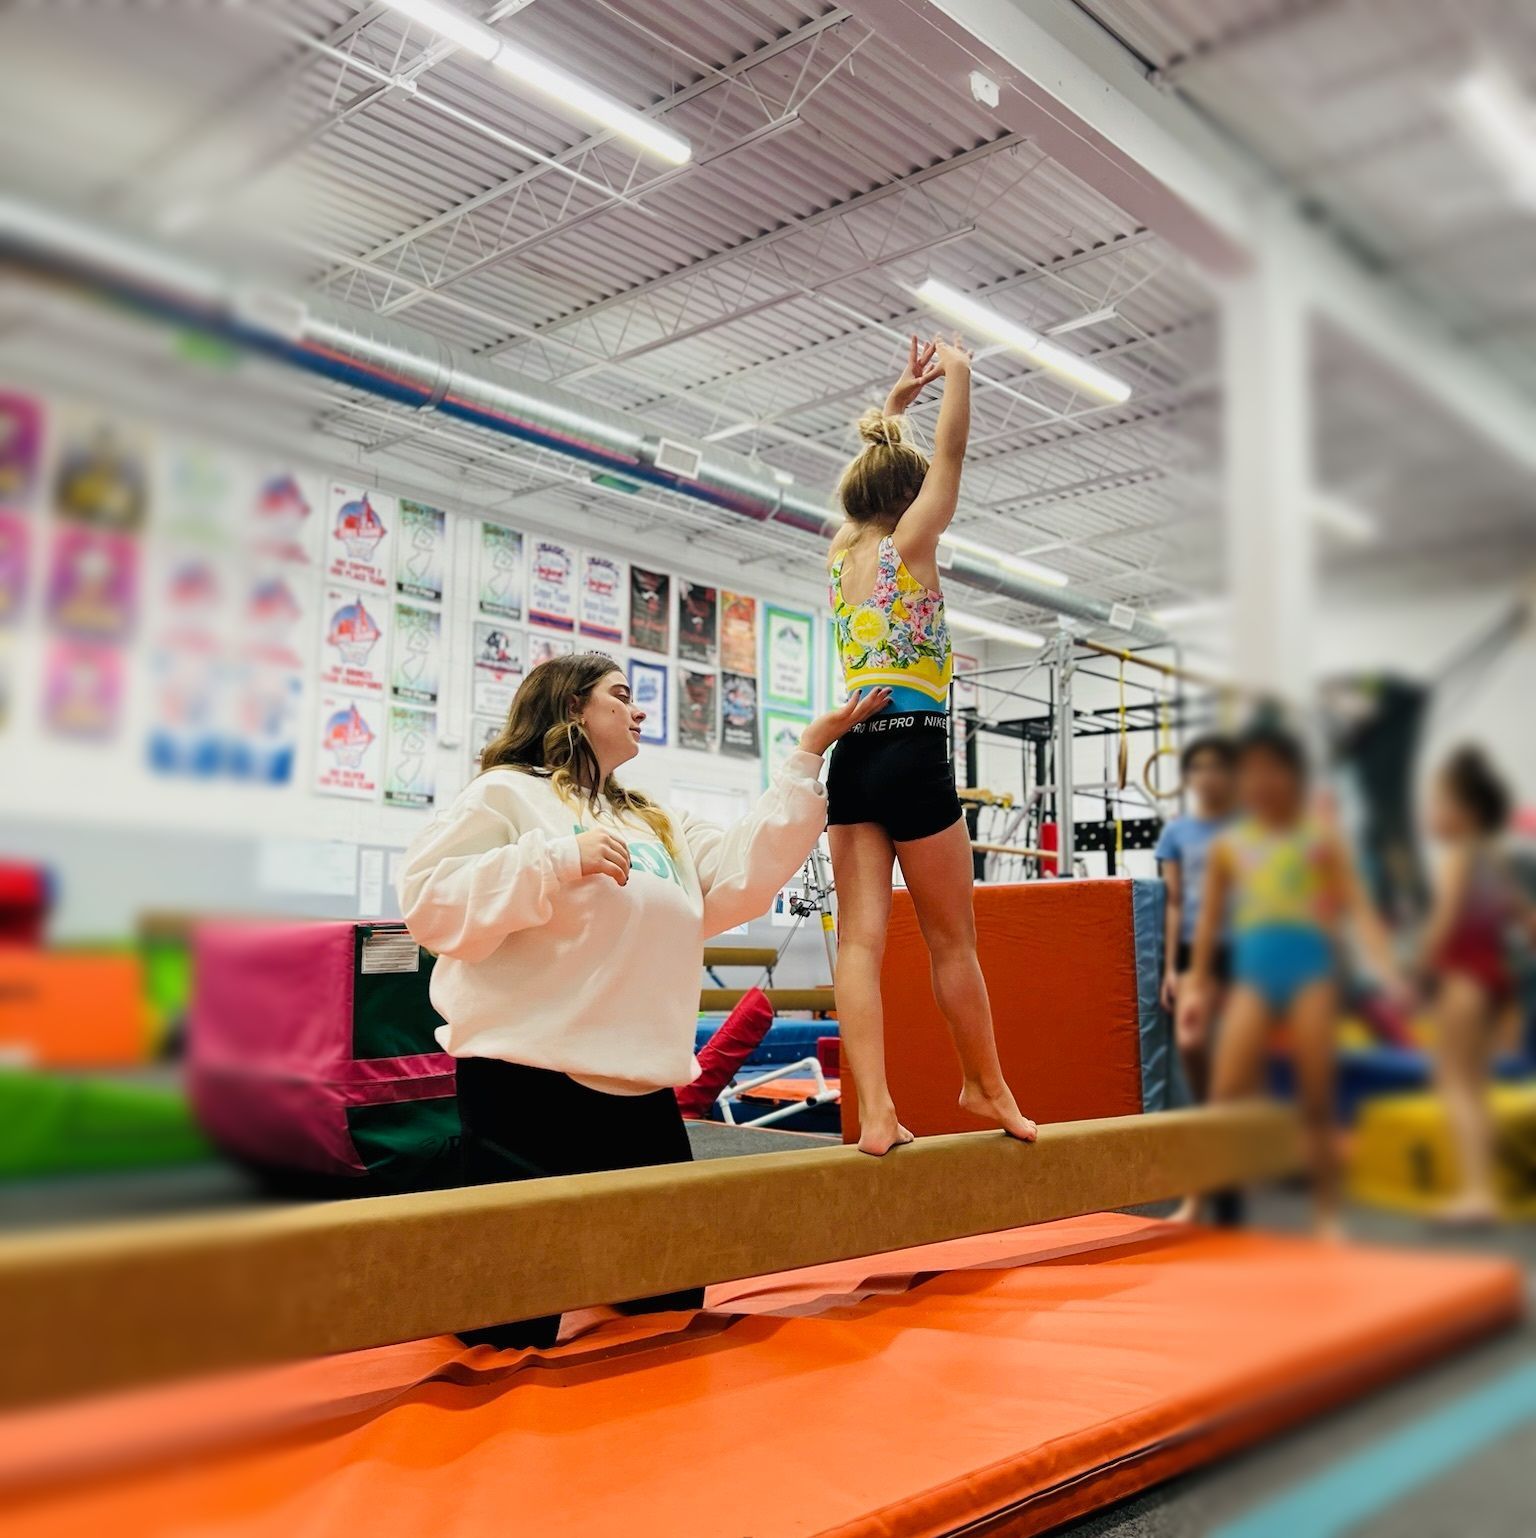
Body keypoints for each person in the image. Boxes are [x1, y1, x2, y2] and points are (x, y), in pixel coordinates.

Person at [396, 652, 886, 1348]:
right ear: (571, 708)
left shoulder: (656, 820)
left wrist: (807, 755)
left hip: (638, 1089)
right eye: (620, 695)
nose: (639, 709)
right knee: (508, 1327)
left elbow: (745, 873)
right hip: (527, 1084)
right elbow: (429, 901)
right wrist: (558, 858)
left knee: (667, 1303)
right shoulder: (506, 794)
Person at [826, 333, 1036, 1156]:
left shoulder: (840, 556)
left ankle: (876, 1111)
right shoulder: (913, 549)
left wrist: (895, 405)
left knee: (858, 942)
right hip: (914, 751)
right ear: (910, 500)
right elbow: (952, 455)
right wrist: (958, 375)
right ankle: (983, 1083)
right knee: (952, 940)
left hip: (854, 759)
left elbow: (881, 463)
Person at [1180, 724, 1403, 1234]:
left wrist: (1389, 972)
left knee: (1316, 1095)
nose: (1261, 781)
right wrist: (1195, 990)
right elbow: (1209, 923)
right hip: (1255, 975)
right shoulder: (1230, 846)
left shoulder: (1320, 839)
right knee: (1222, 1094)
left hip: (1309, 971)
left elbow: (1360, 910)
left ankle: (1327, 1212)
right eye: (1251, 771)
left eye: (1272, 769)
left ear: (1294, 776)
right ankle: (1196, 1201)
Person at [1419, 745, 1533, 1225]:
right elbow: (1527, 920)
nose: (1431, 813)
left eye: (1439, 802)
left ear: (1464, 812)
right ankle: (1481, 1186)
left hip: (1463, 976)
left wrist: (1415, 968)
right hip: (1493, 979)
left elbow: (1443, 924)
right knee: (1476, 1087)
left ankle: (1476, 1193)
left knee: (1455, 1084)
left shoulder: (1460, 858)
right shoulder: (1498, 858)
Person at [1156, 735, 1238, 1107]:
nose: (1207, 776)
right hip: (1195, 947)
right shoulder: (1177, 833)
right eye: (1198, 768)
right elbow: (1173, 901)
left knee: (1239, 1042)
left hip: (1243, 945)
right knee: (1191, 1039)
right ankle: (1211, 1111)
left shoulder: (1250, 825)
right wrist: (1171, 967)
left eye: (1216, 767)